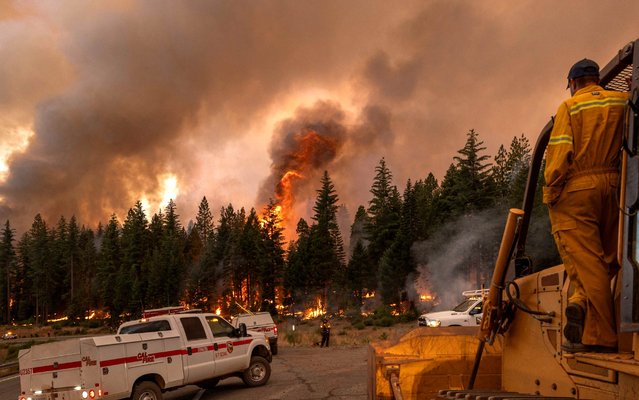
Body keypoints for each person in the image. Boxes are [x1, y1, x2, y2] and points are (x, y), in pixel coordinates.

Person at [543, 58, 628, 353]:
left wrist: (552, 189)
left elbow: (560, 152)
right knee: (610, 256)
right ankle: (580, 301)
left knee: (585, 259)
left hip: (579, 188)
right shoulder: (623, 101)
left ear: (574, 83)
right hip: (617, 185)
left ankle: (602, 337)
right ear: (596, 79)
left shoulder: (571, 107)